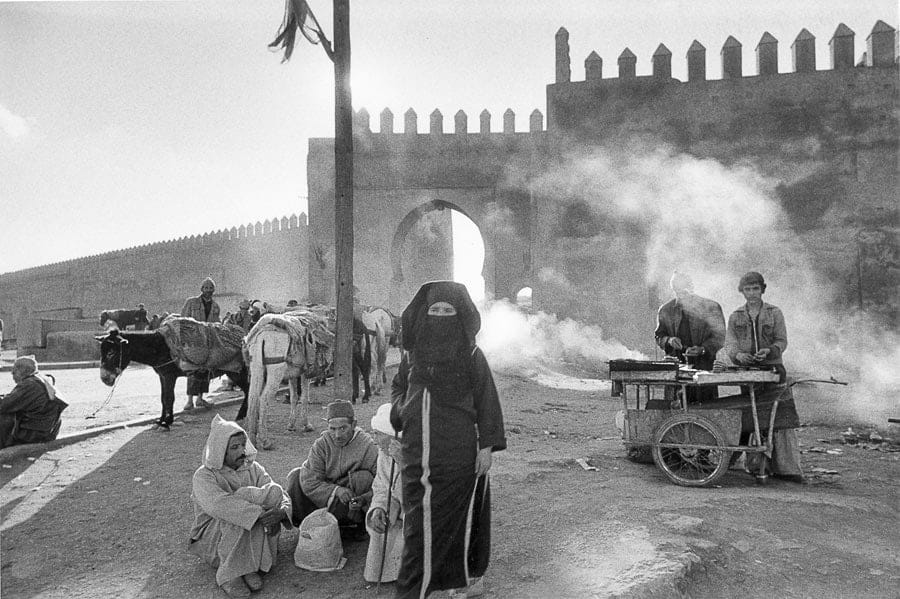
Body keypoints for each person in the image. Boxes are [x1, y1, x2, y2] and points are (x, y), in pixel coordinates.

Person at [390, 281, 506, 599]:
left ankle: (454, 581)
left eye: (448, 310)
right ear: (424, 314)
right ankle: (418, 587)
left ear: (460, 314)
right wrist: (402, 410)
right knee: (417, 524)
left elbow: (486, 400)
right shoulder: (411, 355)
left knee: (457, 519)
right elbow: (398, 388)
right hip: (416, 451)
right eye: (435, 310)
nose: (441, 315)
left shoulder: (471, 354)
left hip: (457, 453)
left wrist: (486, 447)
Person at [189, 415, 291, 598]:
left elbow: (277, 492)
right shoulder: (204, 475)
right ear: (220, 450)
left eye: (243, 445)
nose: (242, 451)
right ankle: (229, 574)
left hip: (247, 532)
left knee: (272, 494)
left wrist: (281, 511)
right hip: (213, 538)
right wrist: (259, 512)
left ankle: (246, 566)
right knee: (236, 510)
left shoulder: (253, 467)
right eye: (234, 447)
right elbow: (219, 505)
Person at [722, 271, 803, 482]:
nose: (751, 293)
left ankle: (788, 469)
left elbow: (782, 341)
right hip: (748, 374)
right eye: (747, 289)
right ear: (742, 291)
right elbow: (729, 344)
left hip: (773, 370)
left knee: (781, 417)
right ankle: (757, 466)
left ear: (762, 289)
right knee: (753, 417)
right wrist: (738, 355)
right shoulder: (735, 316)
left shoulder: (774, 313)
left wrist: (769, 351)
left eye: (755, 288)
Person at [286, 400, 378, 540]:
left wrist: (365, 498)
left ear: (354, 424)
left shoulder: (367, 445)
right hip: (326, 499)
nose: (337, 435)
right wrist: (336, 490)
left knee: (363, 478)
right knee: (296, 475)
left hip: (352, 501)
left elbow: (382, 480)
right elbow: (310, 480)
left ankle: (357, 523)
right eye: (332, 429)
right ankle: (309, 523)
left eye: (343, 428)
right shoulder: (321, 444)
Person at [653, 271, 726, 404]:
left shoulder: (711, 308)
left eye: (684, 292)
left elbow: (720, 337)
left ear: (691, 287)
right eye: (677, 292)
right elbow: (659, 335)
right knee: (675, 409)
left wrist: (703, 349)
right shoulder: (666, 310)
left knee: (706, 409)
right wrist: (669, 340)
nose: (681, 297)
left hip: (704, 369)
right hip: (676, 371)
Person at [364, 403, 405, 584]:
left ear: (394, 437)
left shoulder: (422, 452)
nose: (374, 439)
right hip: (400, 509)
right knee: (379, 526)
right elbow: (382, 487)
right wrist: (379, 509)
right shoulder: (384, 453)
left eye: (378, 434)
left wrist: (404, 464)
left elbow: (426, 496)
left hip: (425, 514)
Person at [0, 356, 68, 449]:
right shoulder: (40, 379)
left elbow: (4, 405)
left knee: (4, 416)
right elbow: (15, 399)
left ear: (23, 371)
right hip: (47, 430)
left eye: (14, 370)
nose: (12, 373)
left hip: (35, 433)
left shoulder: (29, 384)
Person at [181, 277, 221, 411]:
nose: (208, 290)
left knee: (205, 369)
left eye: (210, 288)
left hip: (207, 341)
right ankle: (189, 400)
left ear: (213, 290)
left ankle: (200, 398)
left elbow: (216, 323)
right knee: (193, 369)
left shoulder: (215, 306)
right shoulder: (191, 302)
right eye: (206, 288)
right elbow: (183, 319)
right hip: (193, 341)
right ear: (201, 289)